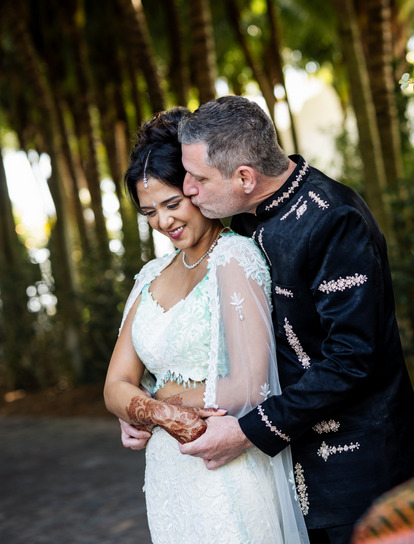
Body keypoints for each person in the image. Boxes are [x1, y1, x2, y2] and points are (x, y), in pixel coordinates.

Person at [172, 95, 414, 543]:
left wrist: (249, 432)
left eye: (198, 178)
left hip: (359, 469)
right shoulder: (246, 220)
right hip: (291, 465)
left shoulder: (335, 221)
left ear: (245, 178)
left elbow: (352, 359)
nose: (188, 189)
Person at [104, 107, 308, 544]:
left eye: (172, 203)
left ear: (194, 190)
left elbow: (251, 386)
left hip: (226, 467)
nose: (163, 221)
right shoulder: (149, 277)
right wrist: (157, 411)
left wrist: (148, 402)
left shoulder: (234, 258)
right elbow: (115, 384)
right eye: (149, 212)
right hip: (168, 474)